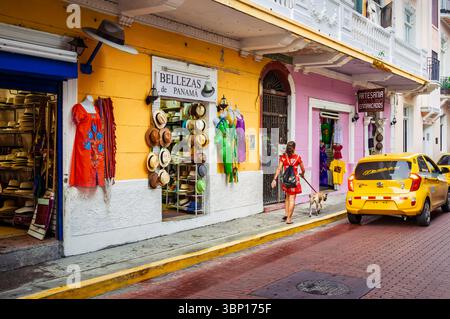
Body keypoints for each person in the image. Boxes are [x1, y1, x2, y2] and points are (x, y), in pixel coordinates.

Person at [271, 141, 305, 224]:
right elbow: (303, 169)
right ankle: (289, 219)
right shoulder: (297, 157)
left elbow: (279, 168)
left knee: (287, 197)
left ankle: (286, 214)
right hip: (294, 181)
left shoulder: (283, 157)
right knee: (292, 199)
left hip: (286, 181)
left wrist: (274, 179)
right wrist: (302, 174)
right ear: (294, 148)